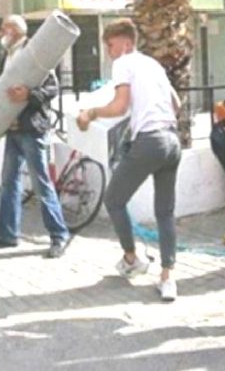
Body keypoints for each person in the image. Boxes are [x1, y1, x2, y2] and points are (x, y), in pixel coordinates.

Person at [75, 18, 182, 301]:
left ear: (125, 43)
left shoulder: (124, 63)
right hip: (173, 141)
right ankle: (168, 278)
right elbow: (177, 105)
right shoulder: (154, 64)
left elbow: (120, 105)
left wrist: (91, 113)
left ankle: (132, 258)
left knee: (113, 200)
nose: (109, 52)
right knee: (165, 211)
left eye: (110, 45)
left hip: (150, 141)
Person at [0, 15, 70, 259]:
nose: (0, 34)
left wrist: (29, 95)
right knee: (9, 182)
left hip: (32, 129)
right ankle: (7, 234)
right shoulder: (7, 56)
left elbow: (52, 89)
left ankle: (59, 235)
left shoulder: (36, 52)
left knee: (41, 184)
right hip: (13, 129)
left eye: (3, 29)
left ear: (15, 31)